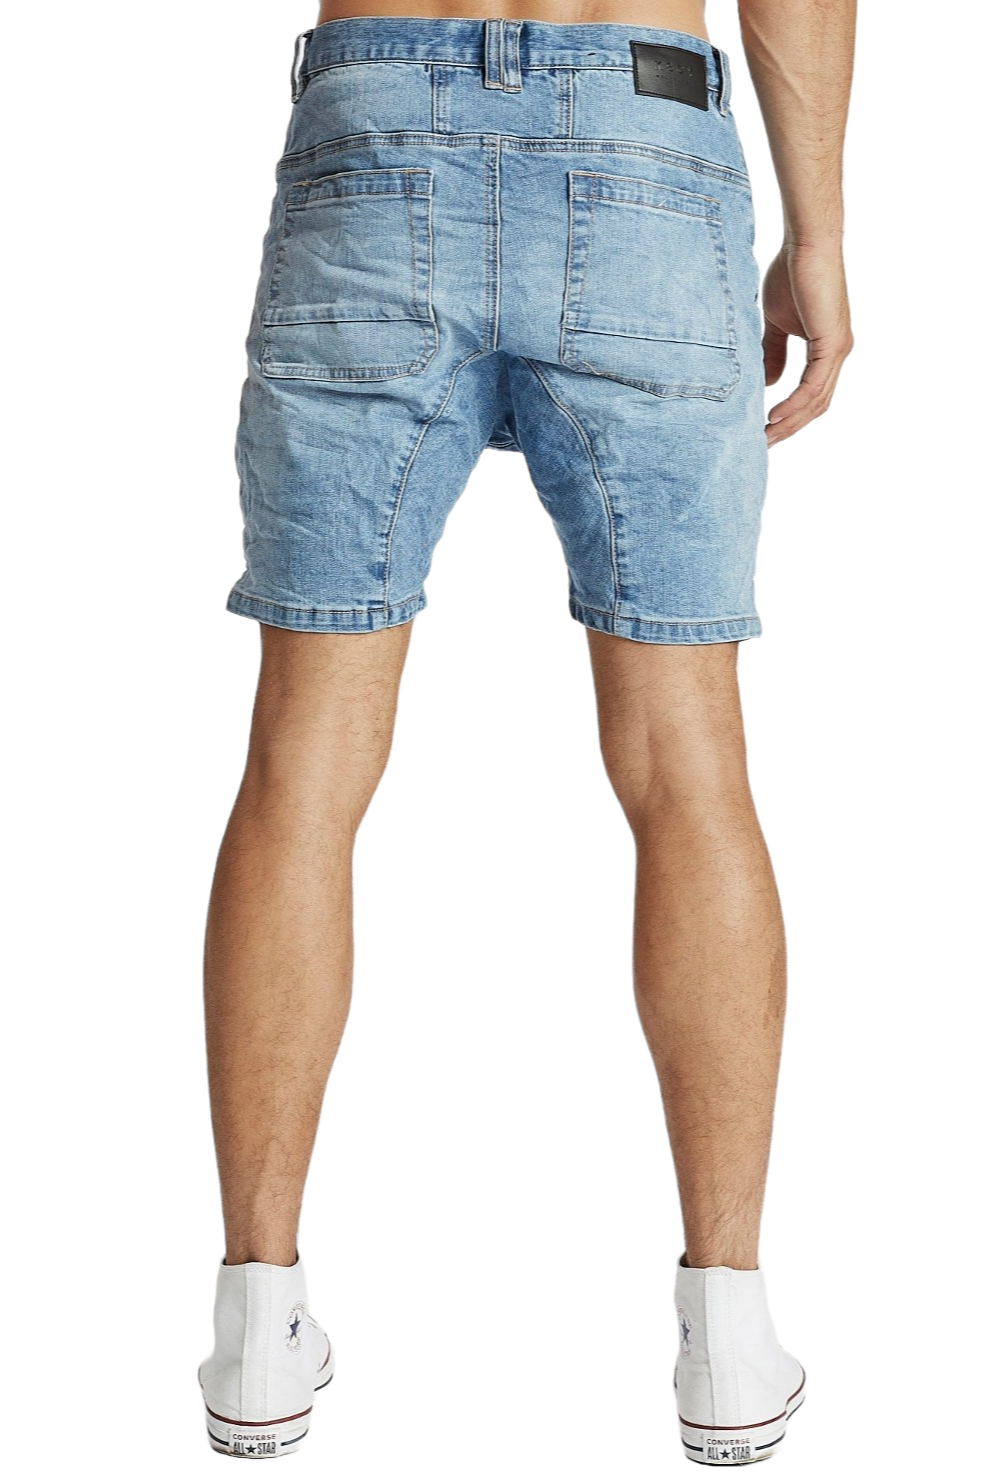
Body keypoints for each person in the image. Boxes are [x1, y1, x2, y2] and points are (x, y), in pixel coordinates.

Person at [197, 0, 855, 1463]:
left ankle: (252, 1322)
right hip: (645, 123)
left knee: (302, 761)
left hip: (371, 118)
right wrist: (816, 235)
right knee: (689, 761)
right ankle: (727, 1331)